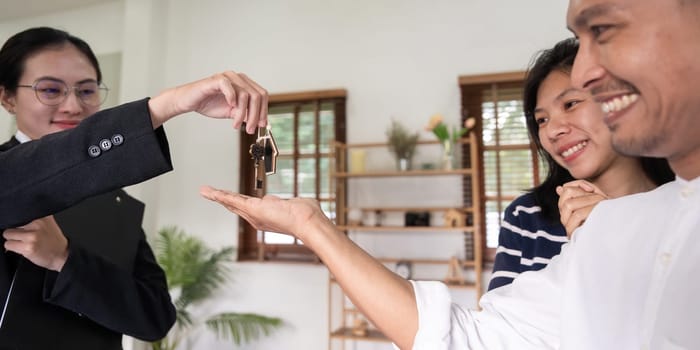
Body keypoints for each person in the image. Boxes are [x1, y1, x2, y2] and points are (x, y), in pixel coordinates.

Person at [200, 0, 700, 348]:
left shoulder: (631, 227)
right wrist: (312, 226)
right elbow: (472, 336)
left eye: (605, 31)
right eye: (541, 119)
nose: (590, 69)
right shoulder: (609, 235)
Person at [0, 27, 268, 349]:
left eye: (86, 91)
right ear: (8, 98)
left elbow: (155, 317)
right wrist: (162, 107)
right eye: (50, 90)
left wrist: (65, 258)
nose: (73, 105)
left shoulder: (116, 202)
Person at [488, 38, 674, 290]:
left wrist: (614, 236)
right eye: (542, 120)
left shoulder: (683, 209)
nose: (552, 130)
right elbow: (501, 326)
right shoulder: (525, 218)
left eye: (570, 104)